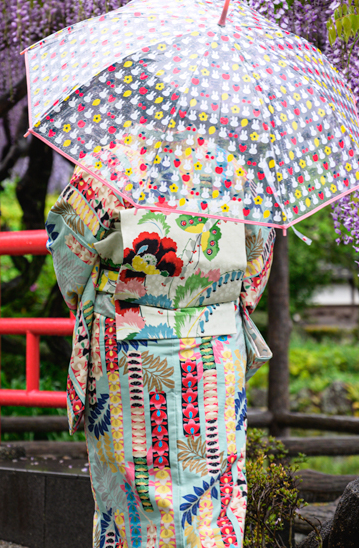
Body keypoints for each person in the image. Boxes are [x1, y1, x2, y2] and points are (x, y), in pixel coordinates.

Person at [47, 162, 275, 547]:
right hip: (215, 346)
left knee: (131, 486)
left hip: (127, 341)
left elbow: (69, 247)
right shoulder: (241, 163)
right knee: (214, 485)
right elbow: (255, 266)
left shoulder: (114, 159)